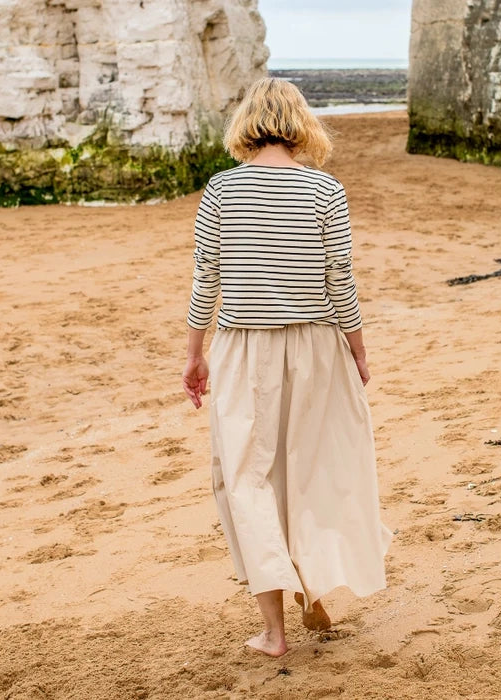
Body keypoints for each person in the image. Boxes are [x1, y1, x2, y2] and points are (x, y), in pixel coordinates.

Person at [182, 77, 392, 658]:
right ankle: (313, 593)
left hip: (244, 347)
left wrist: (193, 354)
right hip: (317, 348)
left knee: (248, 479)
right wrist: (358, 346)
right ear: (301, 125)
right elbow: (339, 279)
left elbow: (207, 280)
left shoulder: (222, 190)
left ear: (246, 124)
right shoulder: (325, 190)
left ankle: (274, 631)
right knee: (312, 468)